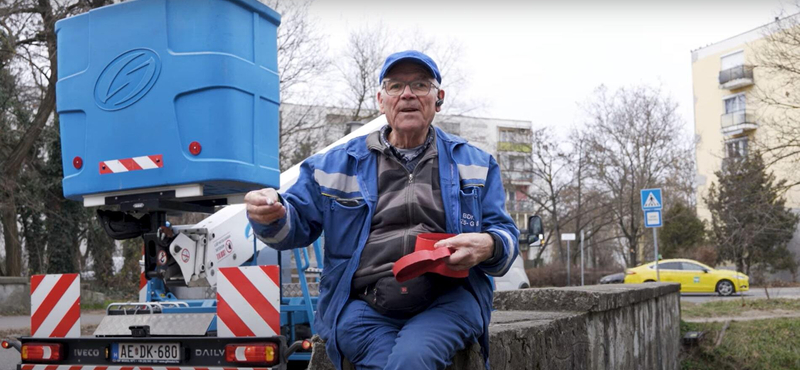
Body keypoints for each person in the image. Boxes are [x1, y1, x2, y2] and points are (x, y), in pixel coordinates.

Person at [245, 50, 519, 370]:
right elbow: (294, 227)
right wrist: (270, 215)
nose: (407, 94)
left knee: (411, 359)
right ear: (380, 99)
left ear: (438, 98)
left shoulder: (475, 163)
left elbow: (505, 235)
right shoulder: (335, 164)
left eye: (420, 84)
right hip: (363, 306)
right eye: (394, 86)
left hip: (448, 301)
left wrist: (488, 245)